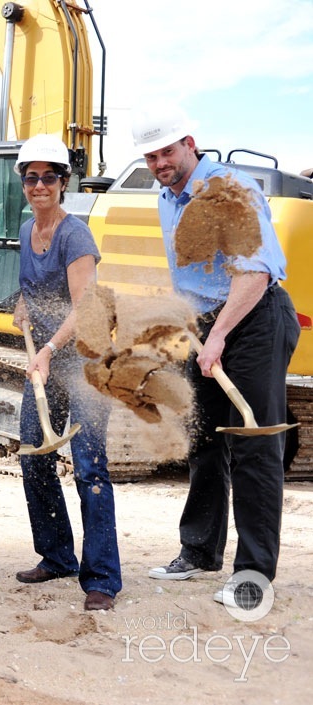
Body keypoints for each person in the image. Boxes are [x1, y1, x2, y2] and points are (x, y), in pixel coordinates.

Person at [133, 106, 299, 605]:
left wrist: (221, 334)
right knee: (203, 439)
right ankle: (201, 551)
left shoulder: (228, 189)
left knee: (253, 444)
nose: (161, 161)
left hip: (252, 320)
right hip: (207, 325)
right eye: (152, 154)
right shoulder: (166, 197)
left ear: (189, 143)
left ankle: (253, 576)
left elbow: (255, 274)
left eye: (168, 150)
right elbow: (191, 275)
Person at [8, 134, 120, 612]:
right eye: (31, 177)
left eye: (48, 177)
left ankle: (102, 579)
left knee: (90, 467)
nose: (39, 185)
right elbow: (37, 290)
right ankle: (56, 555)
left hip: (86, 361)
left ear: (63, 182)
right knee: (34, 450)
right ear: (23, 183)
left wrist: (50, 347)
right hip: (51, 359)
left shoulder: (76, 236)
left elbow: (87, 307)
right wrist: (23, 306)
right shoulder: (27, 232)